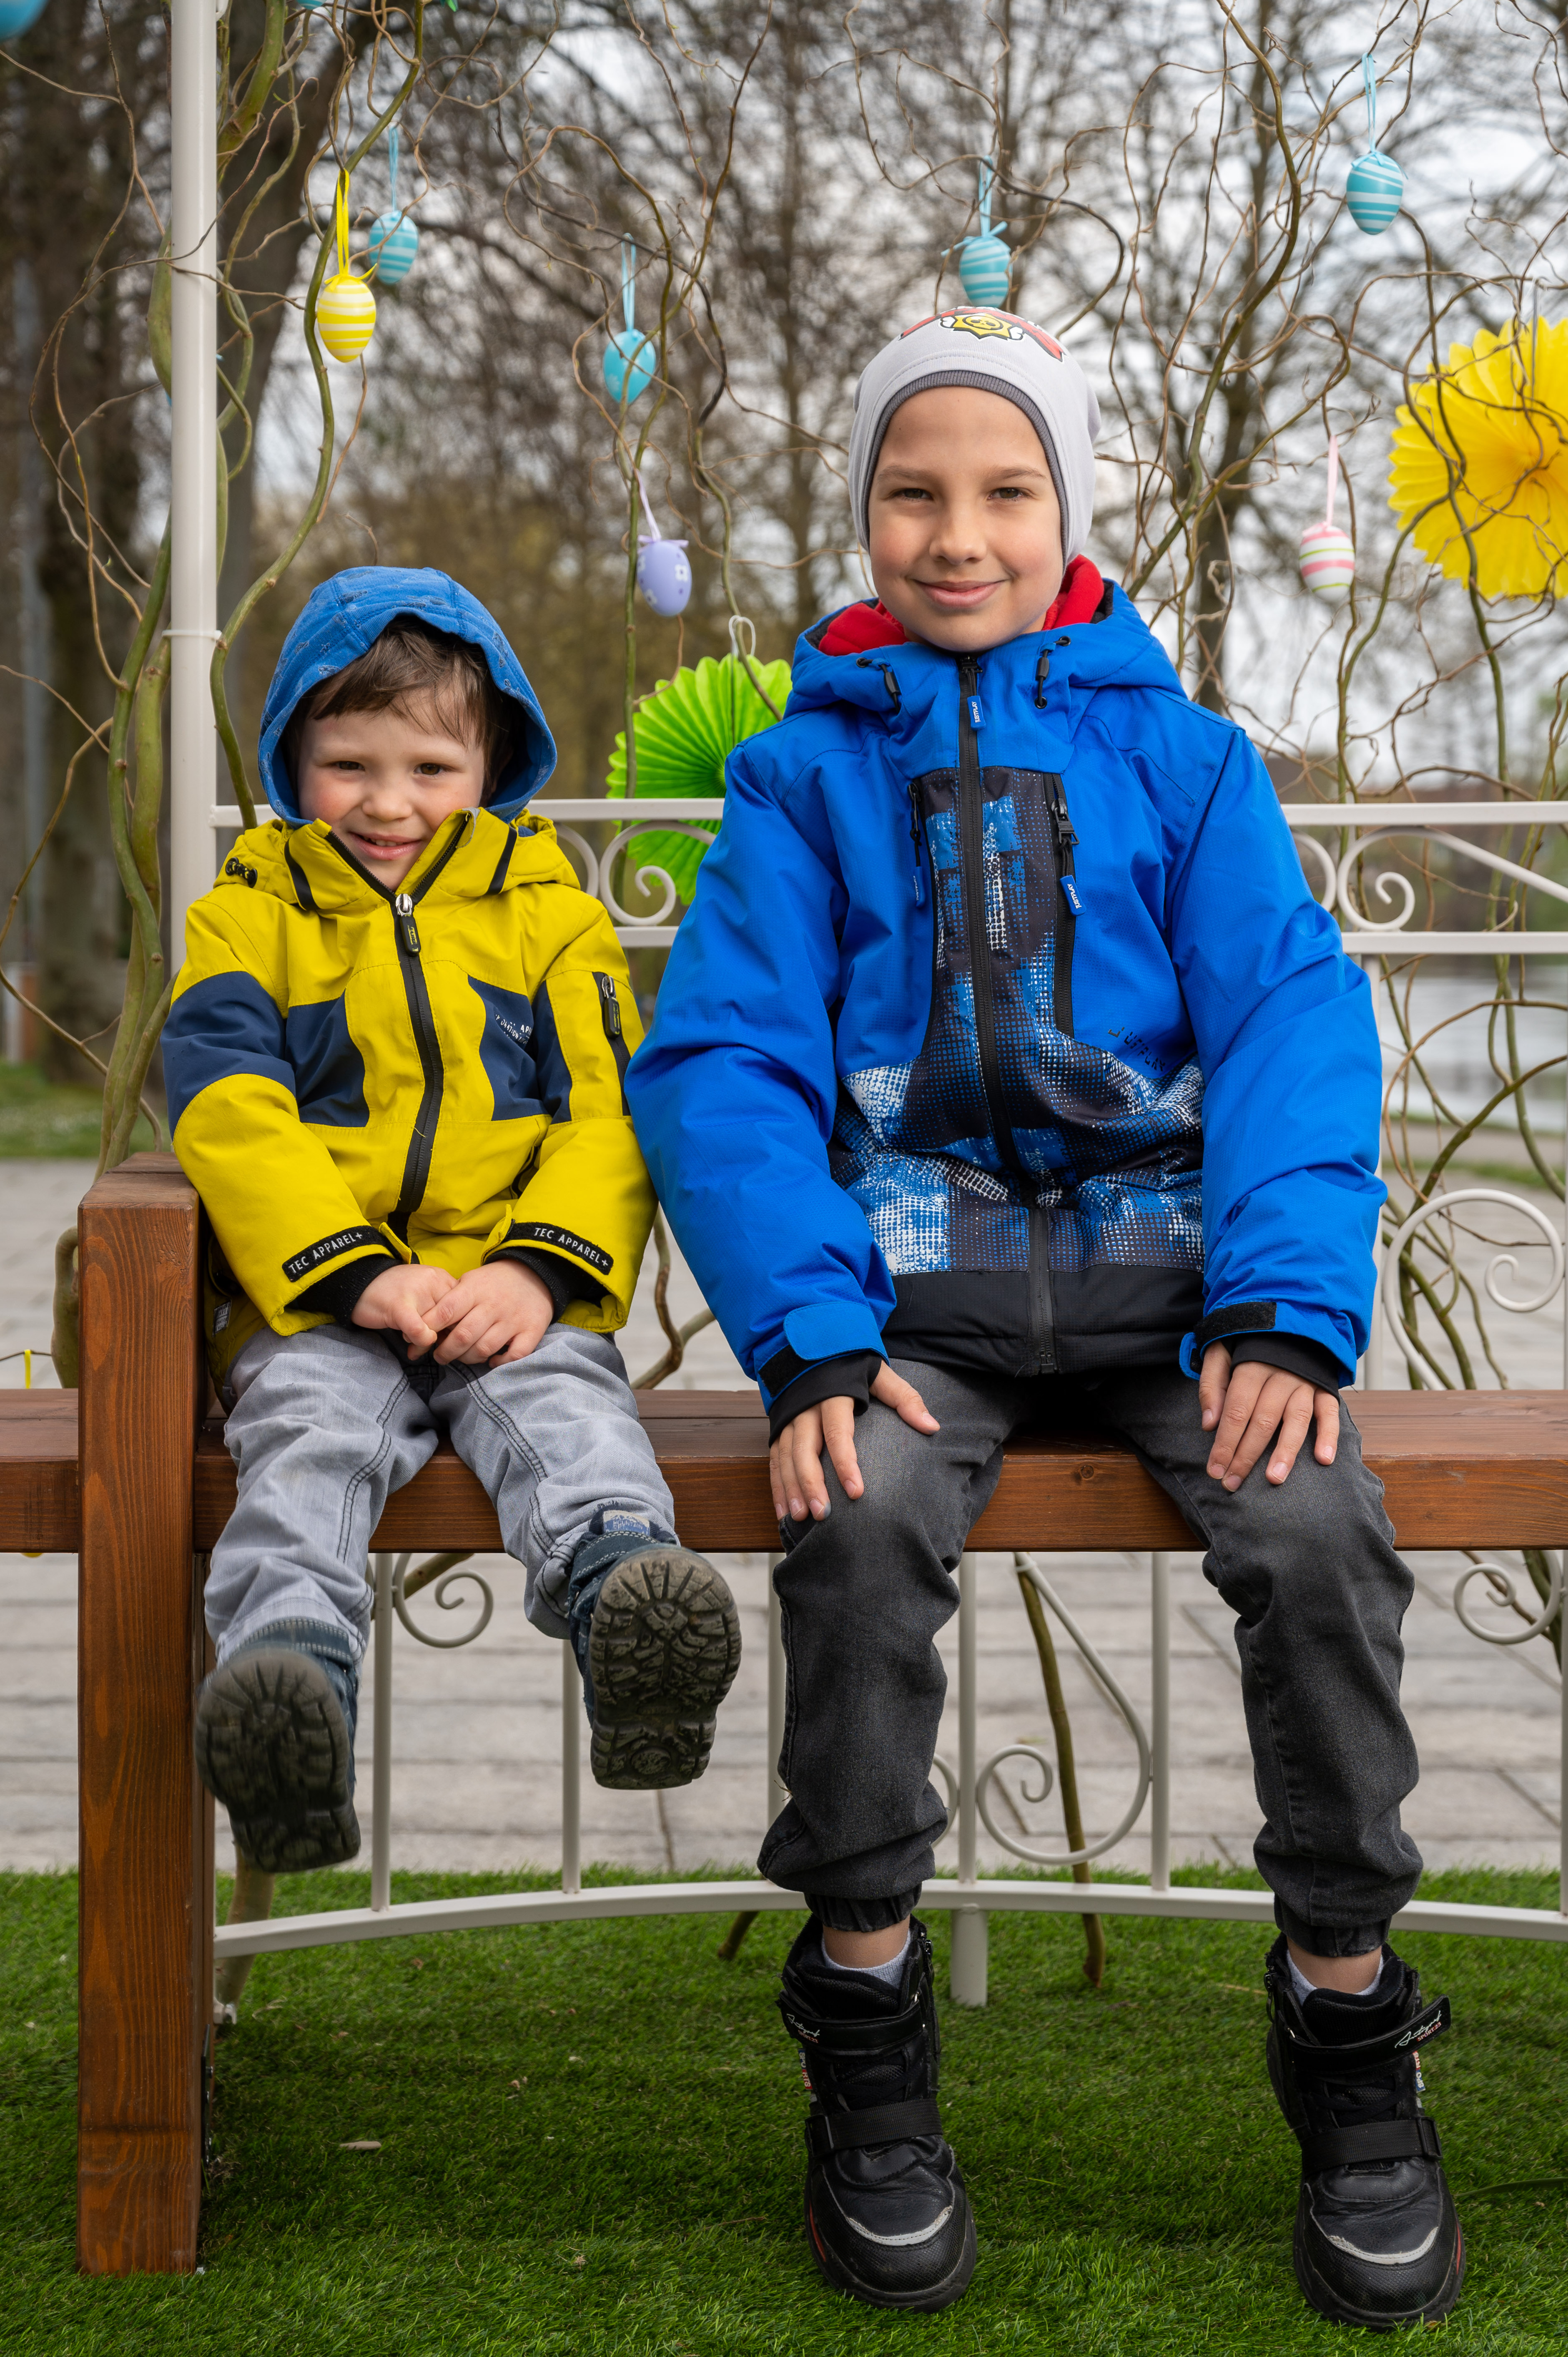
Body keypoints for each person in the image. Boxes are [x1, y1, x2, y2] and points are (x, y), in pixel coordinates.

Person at [627, 312, 1461, 2324]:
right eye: (910, 491)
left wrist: (1284, 1310)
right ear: (861, 514)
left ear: (1067, 513)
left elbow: (1287, 1023)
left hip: (1180, 1299)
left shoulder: (1184, 761)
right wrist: (810, 1337)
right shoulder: (795, 778)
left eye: (1005, 491)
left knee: (1314, 1531)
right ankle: (862, 2016)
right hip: (904, 1305)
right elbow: (726, 1061)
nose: (957, 533)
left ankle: (1345, 2011)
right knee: (853, 1524)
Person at [165, 567, 740, 1876]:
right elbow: (228, 1112)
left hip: (503, 1294)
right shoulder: (244, 921)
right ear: (290, 761)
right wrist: (352, 1270)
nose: (388, 803)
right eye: (348, 766)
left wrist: (536, 1273)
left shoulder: (556, 922)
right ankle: (289, 1688)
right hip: (320, 1307)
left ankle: (626, 1608)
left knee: (569, 1419)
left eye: (429, 767)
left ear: (492, 766)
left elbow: (607, 1113)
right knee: (306, 1444)